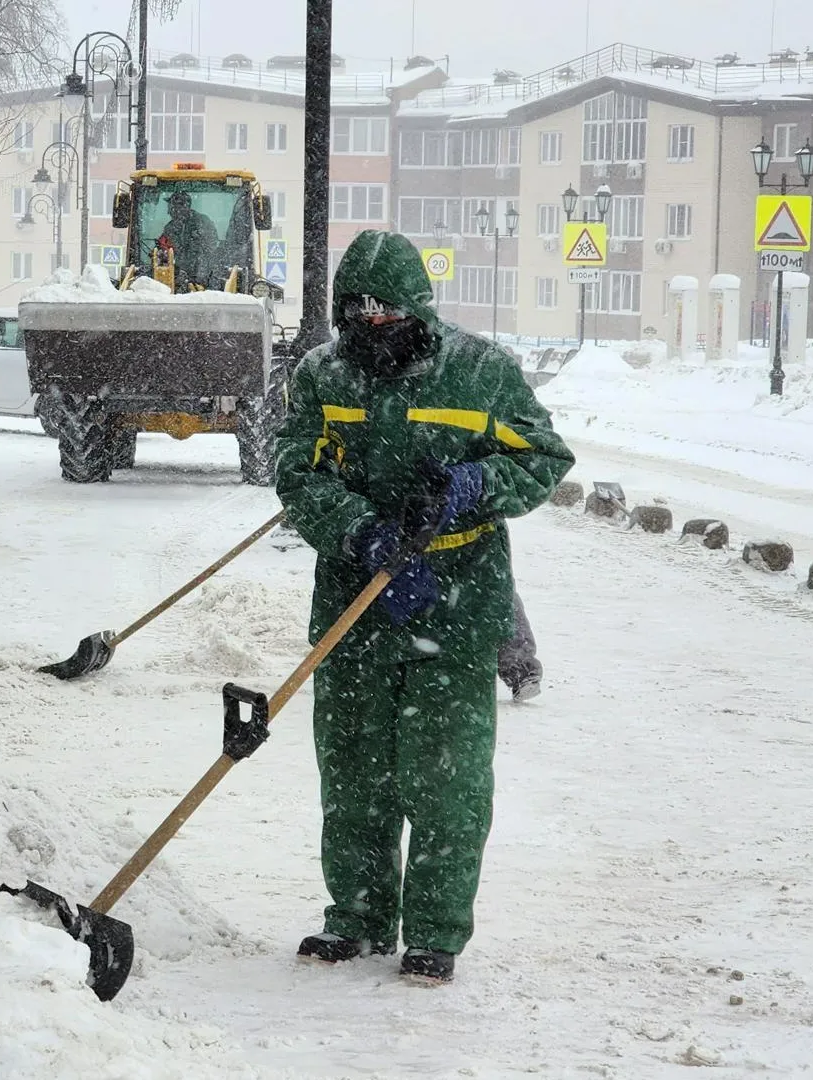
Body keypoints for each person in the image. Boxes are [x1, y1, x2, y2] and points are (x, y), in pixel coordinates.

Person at [273, 229, 573, 983]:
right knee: (354, 777)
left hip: (458, 601)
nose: (372, 328)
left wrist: (473, 488)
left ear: (417, 309)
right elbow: (295, 473)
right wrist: (361, 532)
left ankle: (435, 931)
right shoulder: (321, 376)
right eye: (357, 314)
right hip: (356, 600)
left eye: (387, 314)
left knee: (446, 782)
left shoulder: (478, 373)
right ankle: (359, 918)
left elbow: (543, 458)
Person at [157, 190, 221, 291]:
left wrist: (190, 272)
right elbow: (164, 246)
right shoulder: (169, 228)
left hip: (203, 277)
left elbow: (208, 249)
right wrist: (159, 253)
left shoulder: (202, 223)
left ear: (183, 207)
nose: (168, 212)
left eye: (172, 208)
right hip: (176, 277)